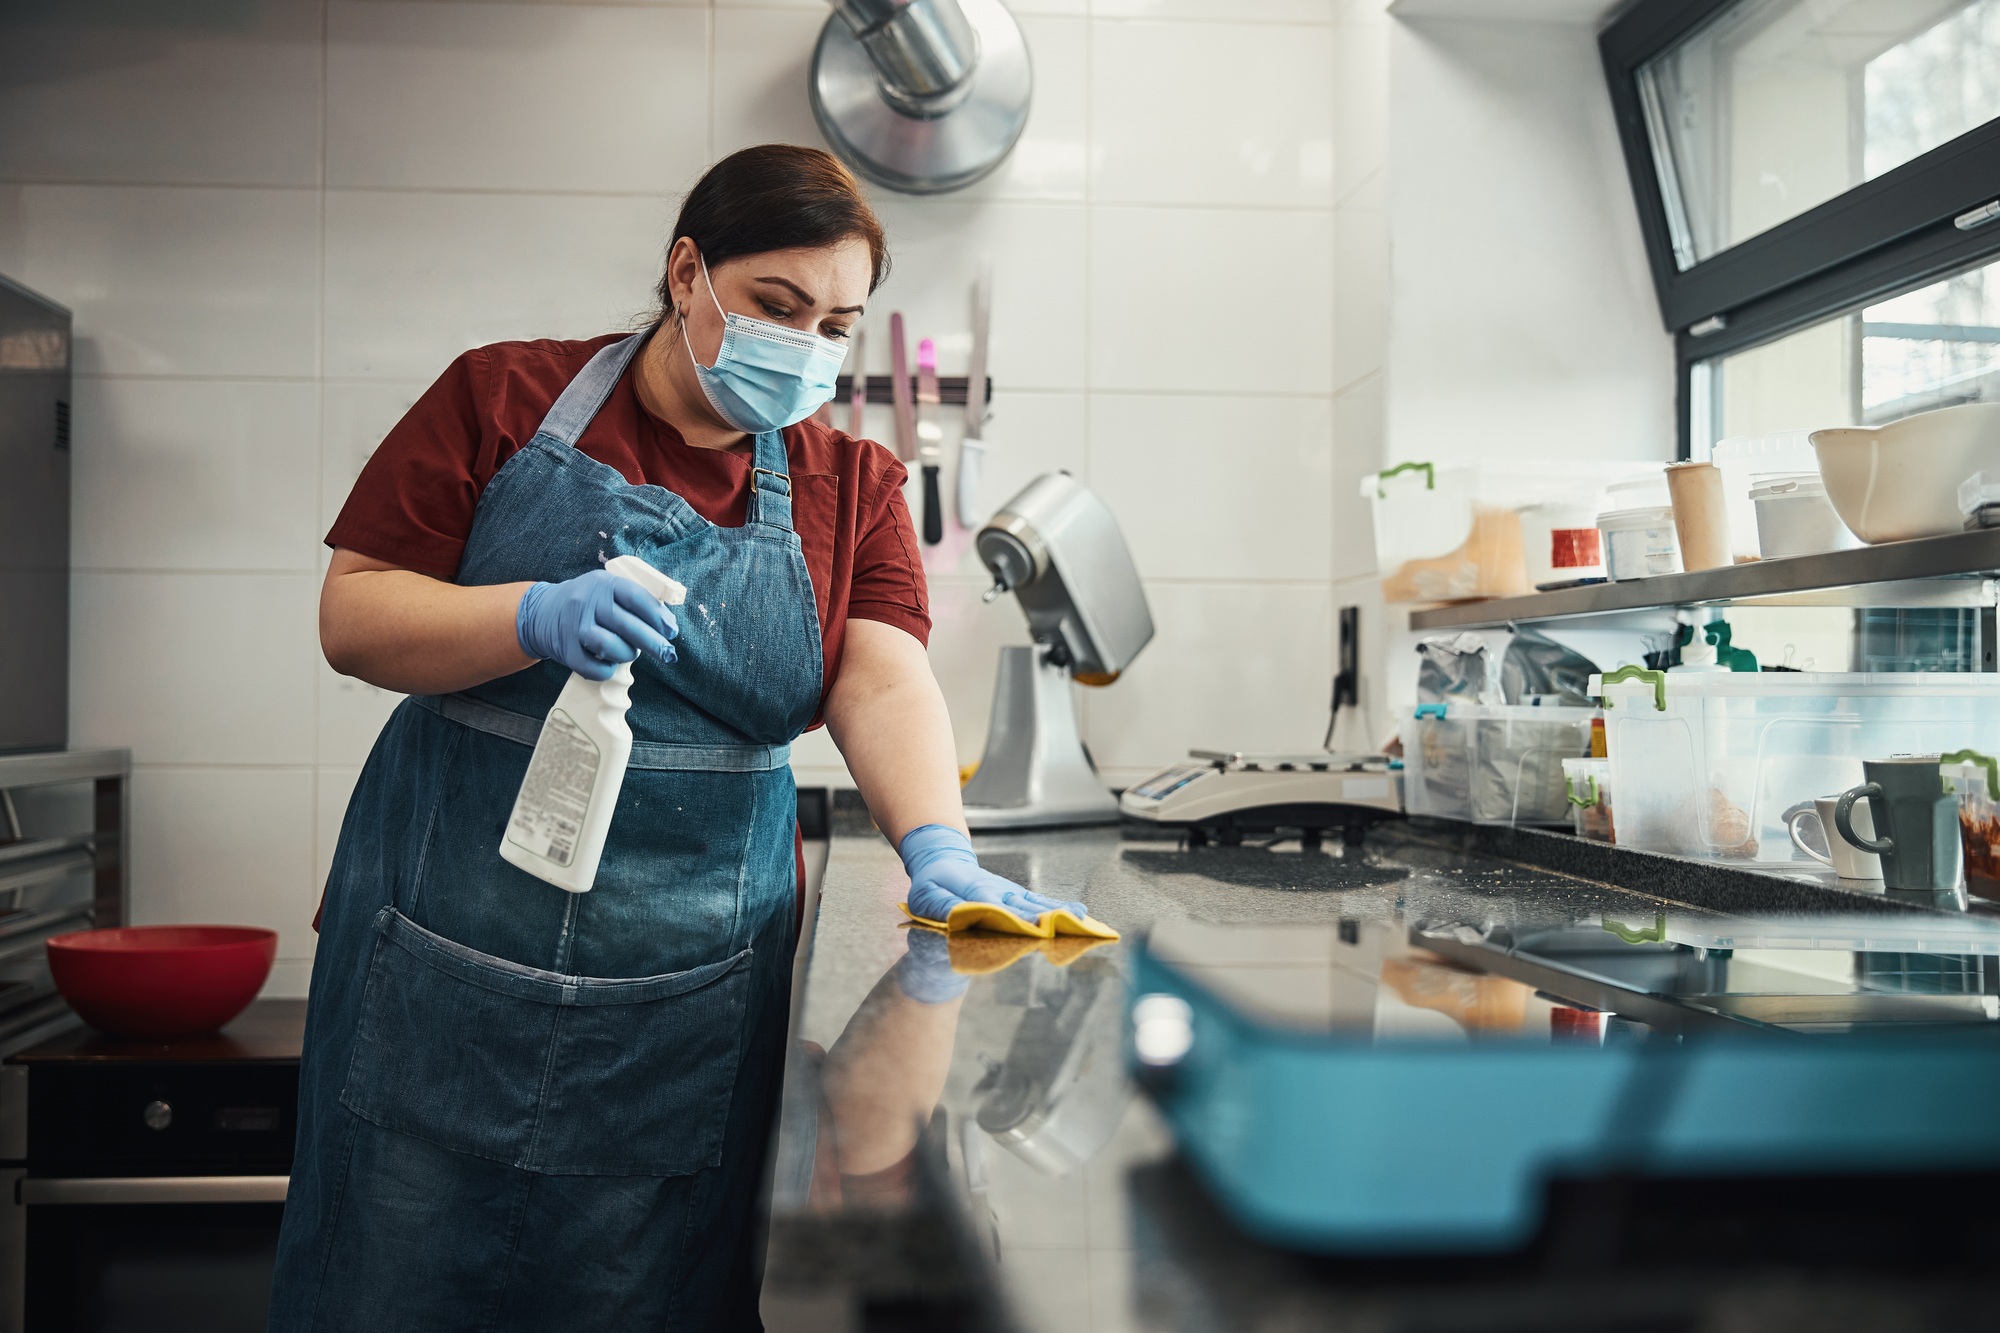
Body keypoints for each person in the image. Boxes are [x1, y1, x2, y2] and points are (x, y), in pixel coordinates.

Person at [268, 144, 1094, 1331]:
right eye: (775, 305)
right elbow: (355, 615)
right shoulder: (500, 398)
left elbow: (883, 678)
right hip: (443, 971)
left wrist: (938, 849)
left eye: (836, 324)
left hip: (680, 1006)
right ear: (685, 269)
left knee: (636, 1292)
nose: (805, 344)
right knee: (392, 1281)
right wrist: (528, 614)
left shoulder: (847, 480)